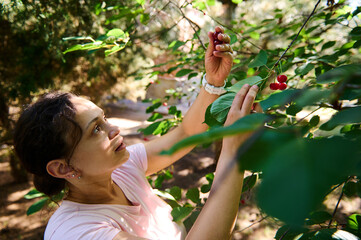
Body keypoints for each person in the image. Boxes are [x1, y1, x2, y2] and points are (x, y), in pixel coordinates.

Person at [13, 26, 259, 240]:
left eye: (104, 119)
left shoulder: (120, 169)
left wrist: (213, 82)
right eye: (96, 129)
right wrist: (235, 152)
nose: (114, 129)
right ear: (62, 168)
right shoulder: (76, 231)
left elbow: (184, 133)